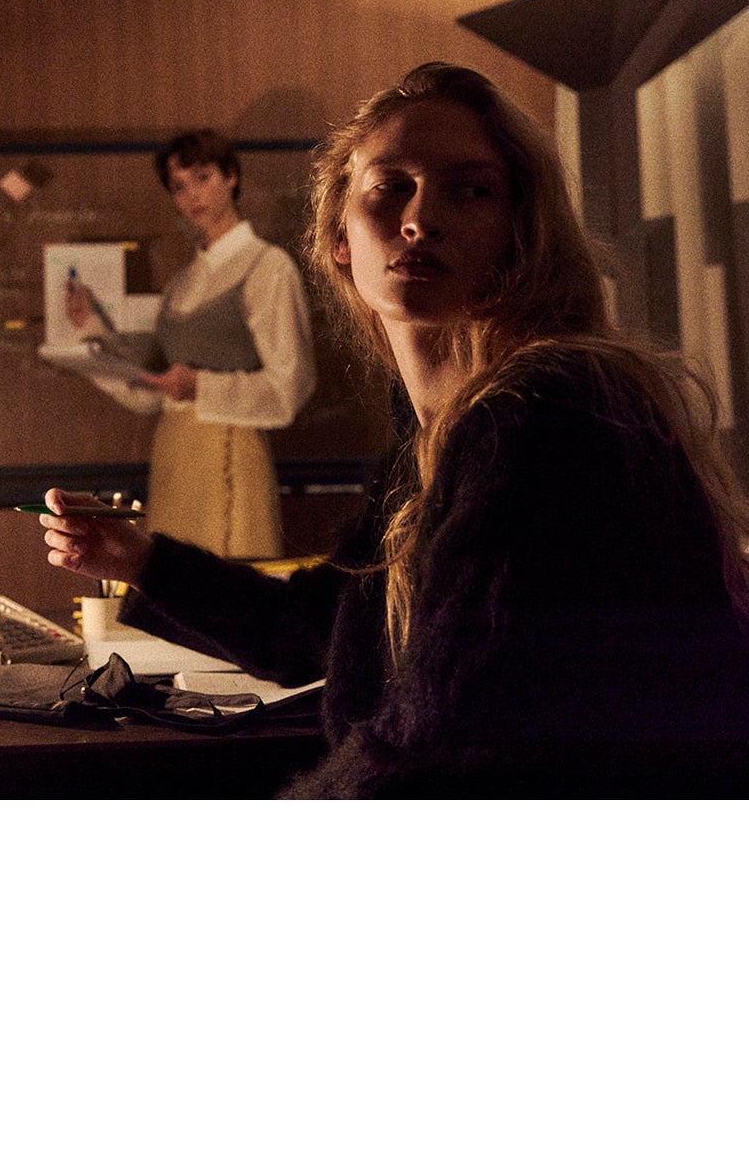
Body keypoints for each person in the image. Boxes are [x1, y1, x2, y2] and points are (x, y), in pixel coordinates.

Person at [42, 64, 749, 798]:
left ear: (518, 234)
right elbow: (324, 625)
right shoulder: (439, 430)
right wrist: (140, 560)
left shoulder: (544, 414)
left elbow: (443, 749)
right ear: (339, 238)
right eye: (390, 186)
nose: (420, 220)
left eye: (470, 191)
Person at [64, 129, 316, 559]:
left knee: (223, 587)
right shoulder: (182, 283)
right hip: (174, 457)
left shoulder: (267, 266)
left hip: (229, 454)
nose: (191, 195)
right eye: (178, 186)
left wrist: (200, 385)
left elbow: (291, 386)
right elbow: (150, 391)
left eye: (202, 177)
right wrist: (89, 332)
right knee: (169, 582)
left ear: (231, 176)